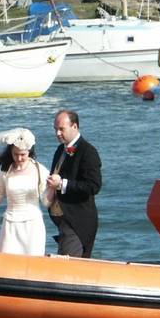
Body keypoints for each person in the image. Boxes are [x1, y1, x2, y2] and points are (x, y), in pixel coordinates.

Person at [0, 128, 54, 256]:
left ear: (29, 151)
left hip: (33, 224)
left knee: (32, 263)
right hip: (10, 224)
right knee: (6, 262)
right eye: (15, 154)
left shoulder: (39, 170)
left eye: (23, 154)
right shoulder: (5, 170)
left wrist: (54, 187)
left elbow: (46, 202)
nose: (18, 158)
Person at [47, 110, 102, 257]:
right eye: (55, 129)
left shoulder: (88, 151)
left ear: (75, 127)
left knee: (68, 266)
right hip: (62, 219)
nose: (57, 133)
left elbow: (94, 186)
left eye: (61, 129)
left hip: (78, 220)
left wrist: (62, 184)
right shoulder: (60, 150)